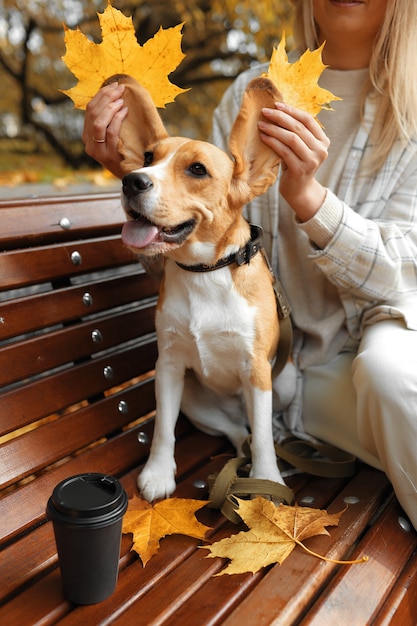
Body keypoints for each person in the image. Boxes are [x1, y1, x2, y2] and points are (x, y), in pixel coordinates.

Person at [82, 0, 417, 529]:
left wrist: (309, 199)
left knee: (391, 376)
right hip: (262, 372)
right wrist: (134, 180)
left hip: (361, 347)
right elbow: (190, 250)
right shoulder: (248, 92)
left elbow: (403, 278)